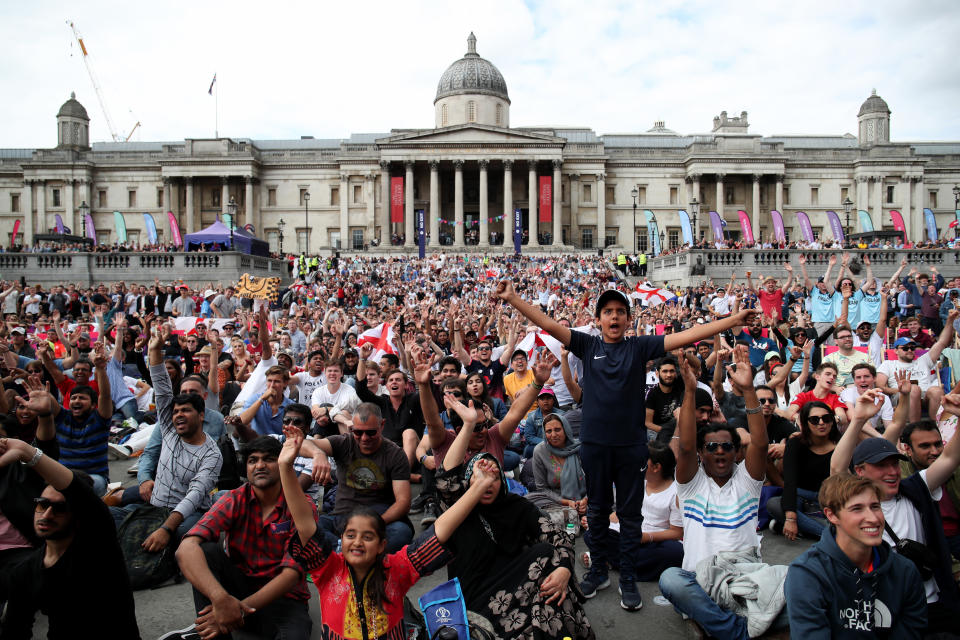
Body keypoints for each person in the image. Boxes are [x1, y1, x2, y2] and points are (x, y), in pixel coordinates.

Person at [497, 279, 758, 611]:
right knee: (597, 510)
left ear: (628, 320)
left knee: (631, 515)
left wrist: (732, 321)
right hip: (594, 446)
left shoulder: (640, 347)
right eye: (608, 312)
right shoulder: (587, 345)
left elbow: (688, 335)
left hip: (631, 447)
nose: (615, 317)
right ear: (599, 319)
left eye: (621, 312)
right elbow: (547, 323)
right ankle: (600, 570)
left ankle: (629, 576)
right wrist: (512, 297)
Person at [279, 423, 498, 640]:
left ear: (382, 545)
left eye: (368, 537)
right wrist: (285, 467)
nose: (357, 542)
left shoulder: (397, 570)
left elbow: (438, 531)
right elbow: (305, 523)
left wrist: (478, 487)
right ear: (341, 539)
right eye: (351, 535)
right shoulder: (328, 569)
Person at [659, 348, 772, 639]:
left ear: (736, 454)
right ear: (701, 453)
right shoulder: (691, 484)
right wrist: (689, 391)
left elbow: (759, 445)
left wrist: (748, 391)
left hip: (745, 578)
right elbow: (684, 446)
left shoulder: (748, 482)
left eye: (726, 447)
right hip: (702, 582)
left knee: (797, 579)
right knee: (671, 580)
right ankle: (739, 630)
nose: (719, 450)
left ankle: (718, 625)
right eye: (711, 447)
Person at [831, 387, 960, 636]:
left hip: (929, 603)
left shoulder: (916, 489)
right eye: (881, 466)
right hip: (883, 608)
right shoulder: (854, 502)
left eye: (894, 464)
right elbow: (837, 469)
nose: (892, 472)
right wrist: (857, 420)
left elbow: (950, 459)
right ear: (860, 471)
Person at [436, 446, 596, 639]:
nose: (488, 484)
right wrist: (469, 422)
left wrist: (564, 570)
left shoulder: (516, 506)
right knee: (545, 591)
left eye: (494, 478)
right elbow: (445, 482)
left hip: (518, 584)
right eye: (480, 478)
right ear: (469, 481)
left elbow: (557, 536)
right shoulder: (458, 512)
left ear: (502, 481)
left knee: (548, 568)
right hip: (477, 596)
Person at [0, 431, 140, 638]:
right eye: (43, 504)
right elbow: (15, 630)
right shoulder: (25, 572)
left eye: (59, 508)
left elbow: (80, 494)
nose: (47, 514)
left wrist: (27, 452)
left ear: (79, 515)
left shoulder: (98, 549)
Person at [175, 436, 314, 640]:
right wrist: (220, 598)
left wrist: (239, 609)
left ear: (284, 464)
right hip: (237, 589)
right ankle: (213, 627)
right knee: (205, 552)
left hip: (284, 600)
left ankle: (220, 620)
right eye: (252, 460)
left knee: (295, 635)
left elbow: (290, 575)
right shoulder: (235, 498)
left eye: (268, 459)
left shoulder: (301, 506)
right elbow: (185, 549)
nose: (260, 465)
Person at [110, 329, 223, 546]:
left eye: (186, 411)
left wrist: (164, 528)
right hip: (154, 504)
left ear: (201, 415)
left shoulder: (211, 453)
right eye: (175, 411)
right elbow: (162, 390)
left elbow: (195, 495)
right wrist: (154, 351)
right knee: (105, 517)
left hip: (186, 512)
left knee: (184, 535)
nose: (178, 415)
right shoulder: (170, 430)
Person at [784, 473, 927, 638]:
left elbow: (913, 631)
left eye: (875, 506)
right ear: (831, 515)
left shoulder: (905, 571)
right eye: (857, 509)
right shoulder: (807, 574)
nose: (873, 518)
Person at [300, 402, 413, 553]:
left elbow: (403, 502)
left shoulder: (395, 454)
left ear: (382, 425)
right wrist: (318, 454)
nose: (364, 438)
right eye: (358, 432)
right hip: (343, 517)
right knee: (310, 530)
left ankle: (342, 552)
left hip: (378, 519)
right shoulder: (344, 442)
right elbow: (302, 444)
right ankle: (356, 553)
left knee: (401, 533)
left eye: (371, 432)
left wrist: (375, 524)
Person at [767, 401, 838, 540]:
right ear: (806, 423)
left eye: (826, 418)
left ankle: (808, 528)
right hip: (802, 495)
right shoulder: (796, 443)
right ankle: (830, 535)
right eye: (815, 420)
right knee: (774, 504)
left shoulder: (841, 442)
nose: (821, 423)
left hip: (832, 497)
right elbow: (790, 482)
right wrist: (791, 519)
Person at [53, 343, 113, 495]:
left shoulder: (100, 420)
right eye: (73, 398)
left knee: (79, 486)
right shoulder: (62, 418)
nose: (77, 401)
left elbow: (105, 395)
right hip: (64, 475)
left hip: (94, 478)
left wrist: (100, 368)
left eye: (82, 398)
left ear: (93, 405)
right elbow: (49, 403)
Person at [897, 420, 960, 564]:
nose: (935, 451)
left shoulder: (955, 466)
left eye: (938, 444)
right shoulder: (898, 473)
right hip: (926, 542)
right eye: (925, 446)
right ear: (908, 449)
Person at [877, 311, 956, 423]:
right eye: (905, 348)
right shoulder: (888, 364)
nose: (910, 350)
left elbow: (942, 342)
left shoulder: (923, 360)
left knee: (936, 390)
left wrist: (950, 321)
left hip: (925, 395)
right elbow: (880, 386)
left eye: (912, 348)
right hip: (902, 396)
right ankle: (914, 428)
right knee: (913, 389)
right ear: (896, 351)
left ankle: (937, 426)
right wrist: (900, 390)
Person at [531, 413, 587, 514]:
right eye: (548, 431)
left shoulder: (580, 448)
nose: (553, 435)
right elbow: (542, 488)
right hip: (556, 501)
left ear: (566, 430)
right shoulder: (540, 451)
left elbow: (594, 481)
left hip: (584, 499)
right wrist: (566, 502)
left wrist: (585, 500)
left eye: (557, 430)